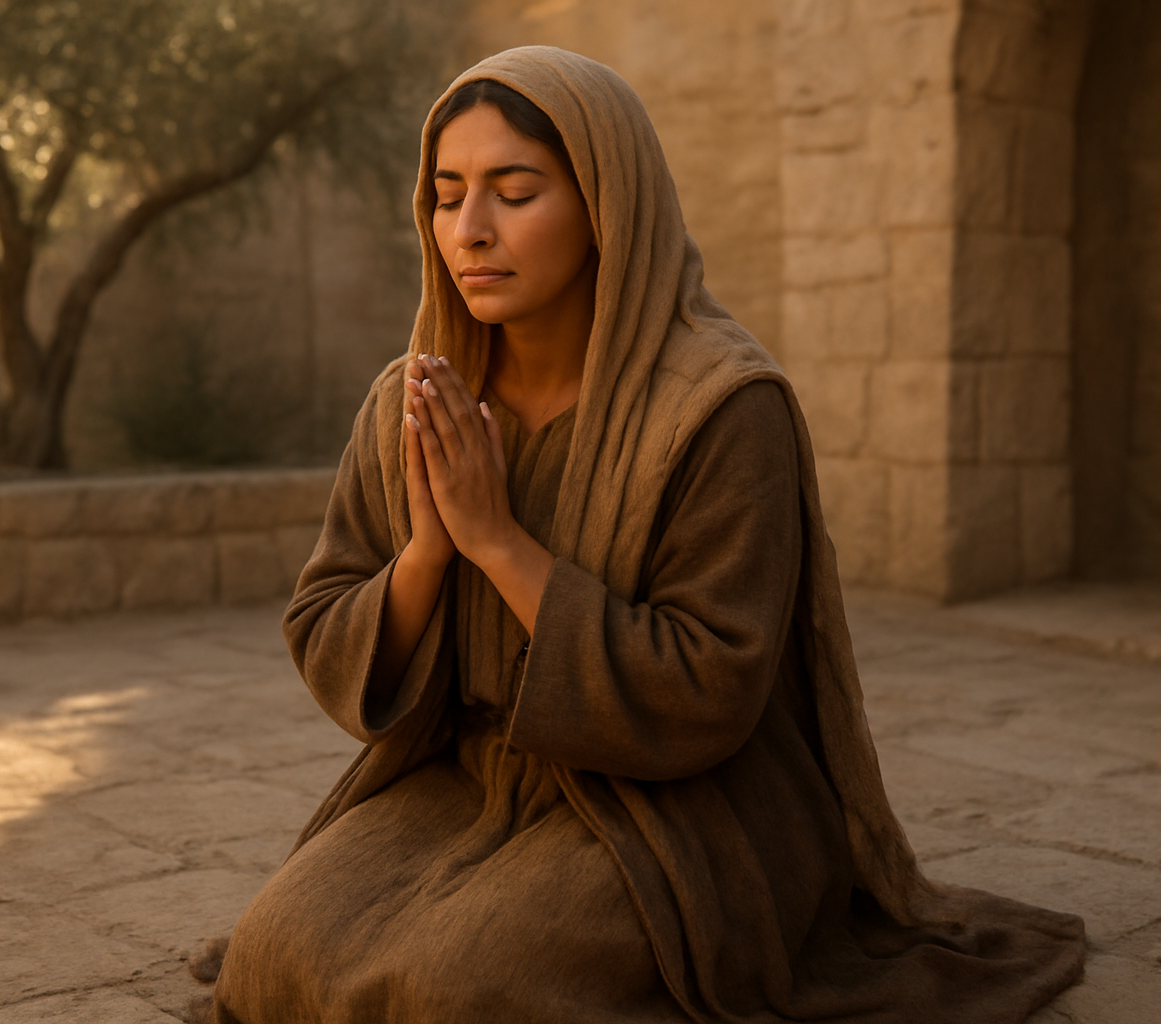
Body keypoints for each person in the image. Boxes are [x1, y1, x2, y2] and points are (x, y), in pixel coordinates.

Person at [210, 45, 1086, 1024]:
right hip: (474, 777)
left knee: (458, 993)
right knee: (272, 957)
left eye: (515, 192)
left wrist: (498, 541)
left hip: (686, 806)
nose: (471, 230)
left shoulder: (720, 409)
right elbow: (327, 618)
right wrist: (429, 549)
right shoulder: (420, 399)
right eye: (447, 196)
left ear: (606, 206)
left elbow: (710, 683)